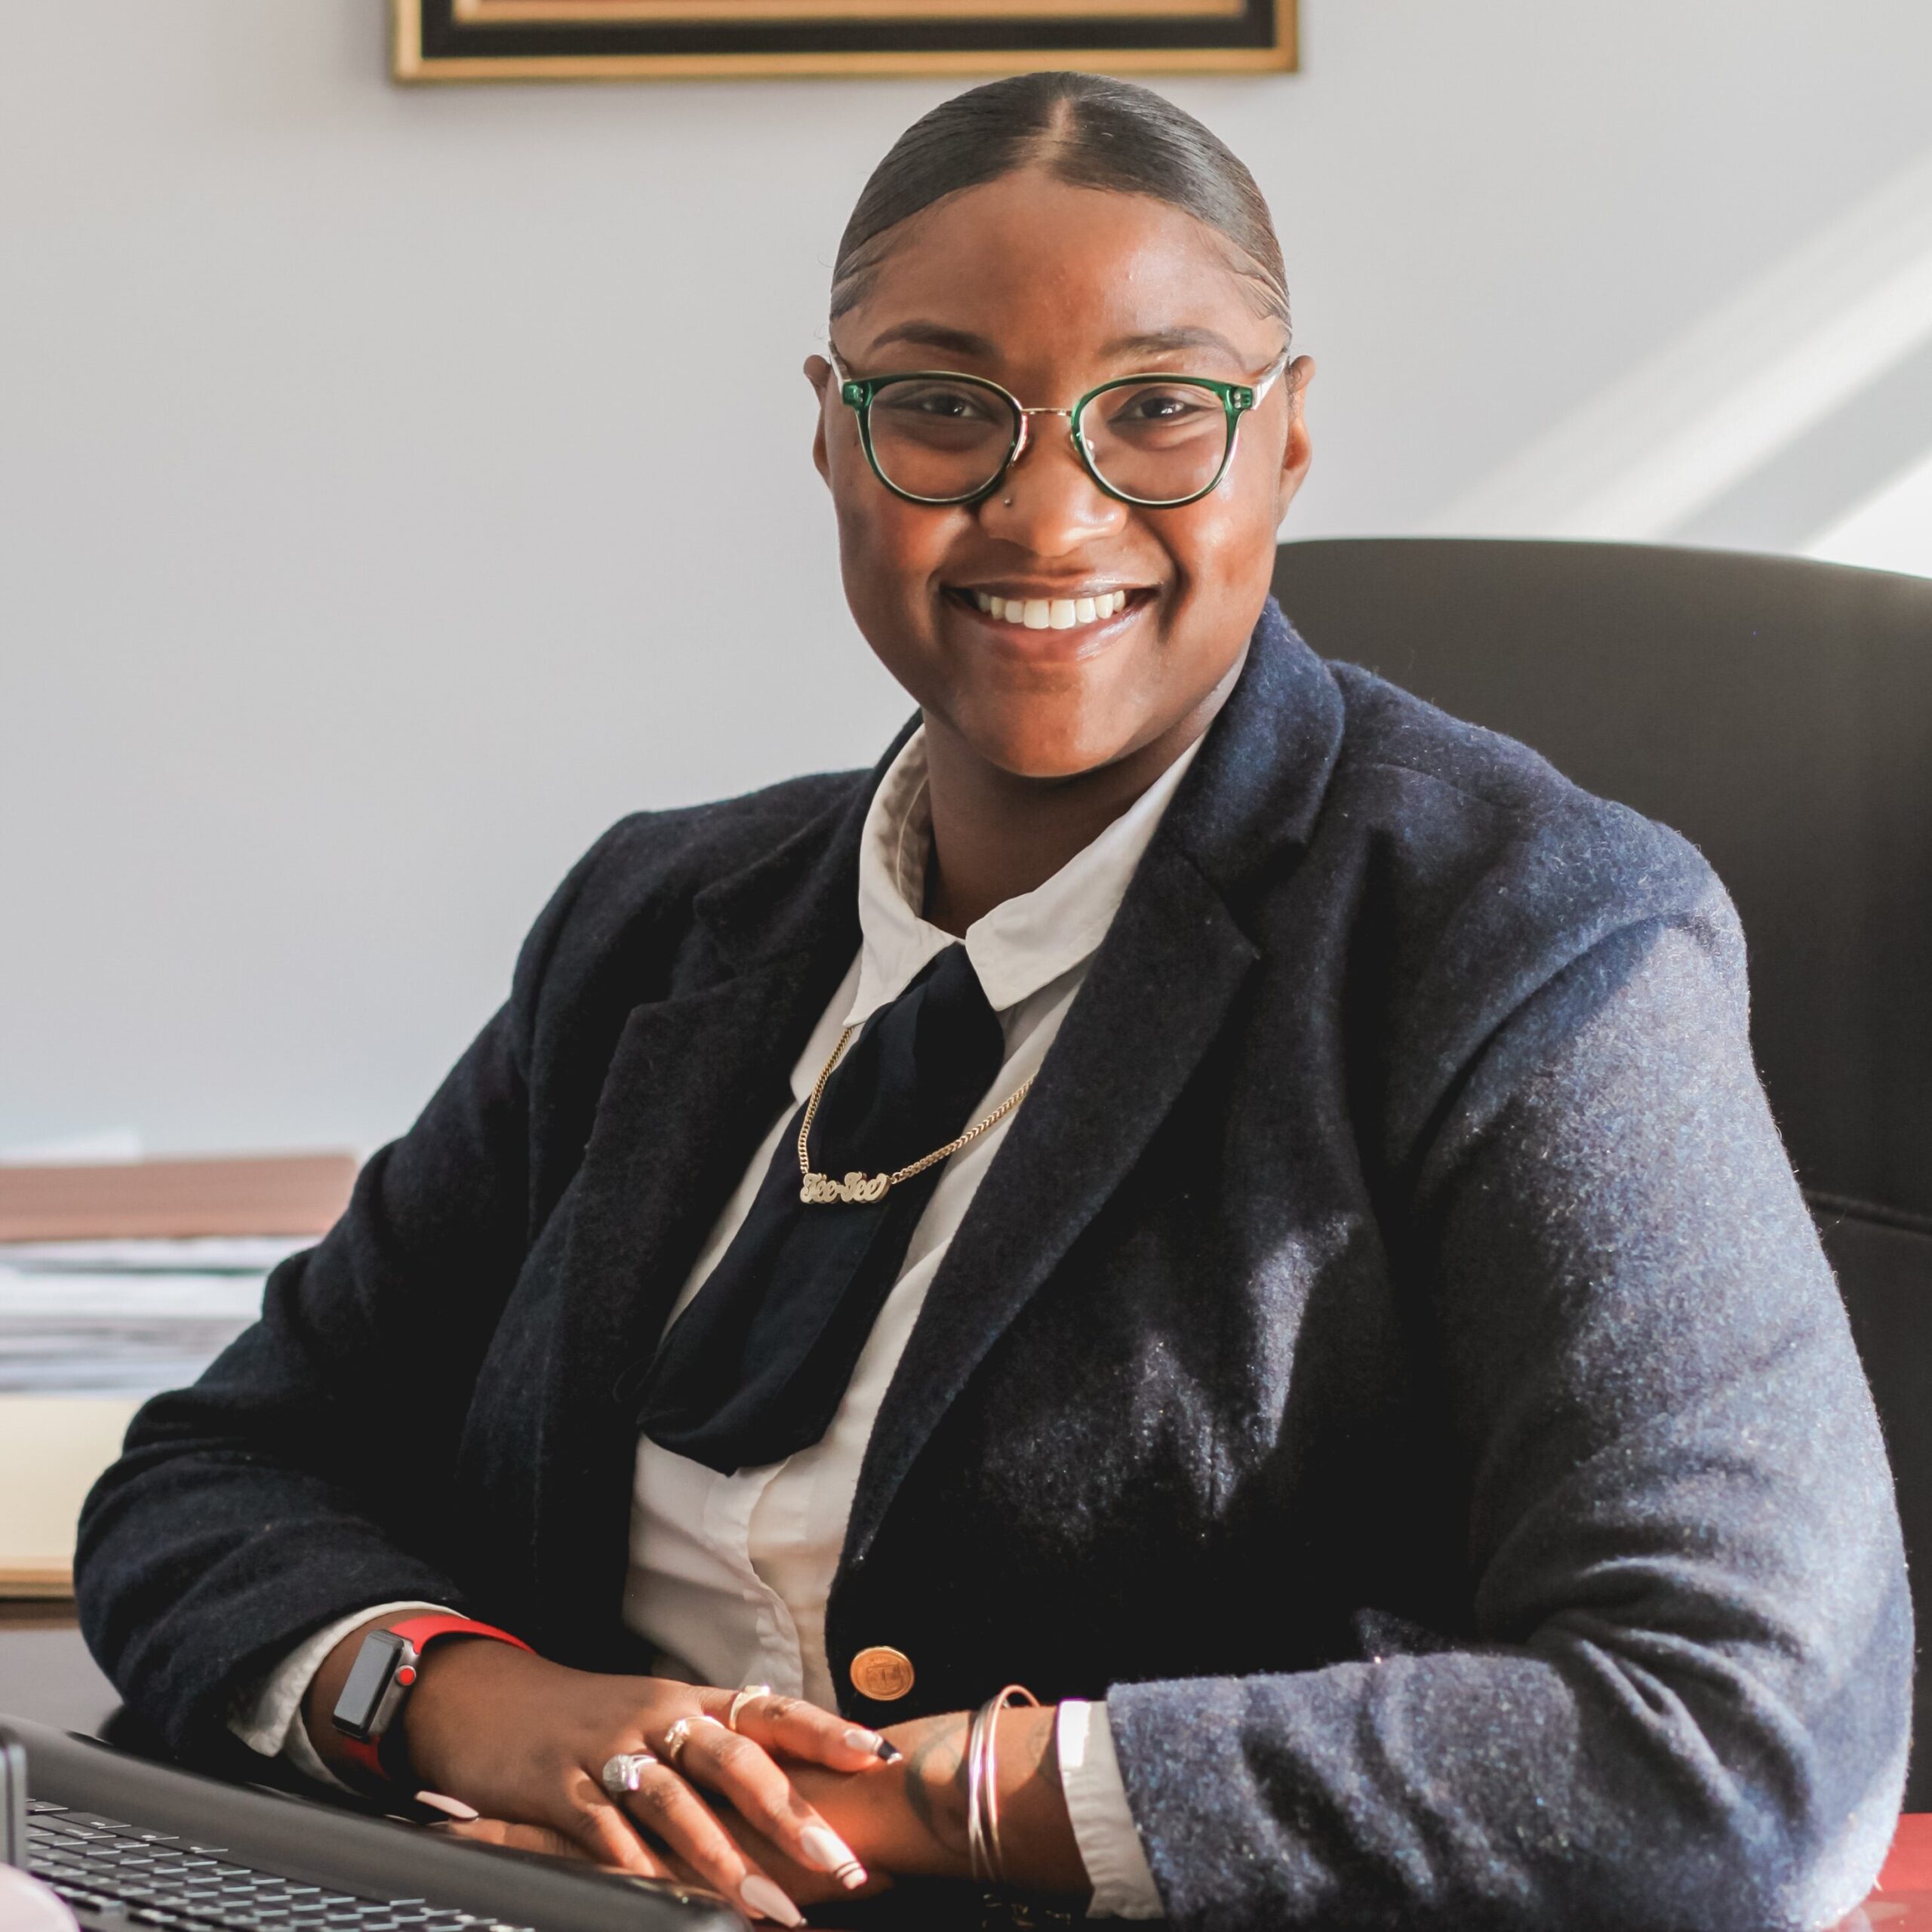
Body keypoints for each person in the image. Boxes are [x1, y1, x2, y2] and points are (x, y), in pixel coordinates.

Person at [76, 71, 1909, 1932]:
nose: (1047, 513)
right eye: (945, 408)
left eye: (1160, 411)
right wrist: (480, 1710)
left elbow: (1738, 1746)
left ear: (1282, 441)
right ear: (831, 436)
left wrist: (907, 1803)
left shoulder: (1523, 937)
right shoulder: (659, 921)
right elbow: (218, 1470)